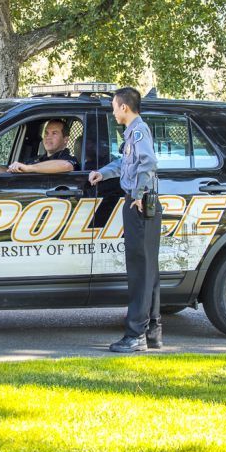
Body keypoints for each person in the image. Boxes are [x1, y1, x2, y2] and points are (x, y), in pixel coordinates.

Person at [88, 87, 162, 352]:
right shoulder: (132, 133)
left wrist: (139, 195)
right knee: (148, 271)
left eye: (113, 106)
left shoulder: (138, 131)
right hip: (142, 203)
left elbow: (147, 162)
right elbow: (126, 163)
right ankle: (153, 330)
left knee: (140, 272)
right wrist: (104, 172)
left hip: (140, 204)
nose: (112, 111)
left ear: (124, 108)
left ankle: (136, 336)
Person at [0, 119, 79, 175]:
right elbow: (9, 171)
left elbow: (66, 166)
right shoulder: (36, 160)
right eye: (46, 133)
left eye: (54, 133)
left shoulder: (70, 160)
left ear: (65, 139)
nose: (48, 137)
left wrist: (28, 168)